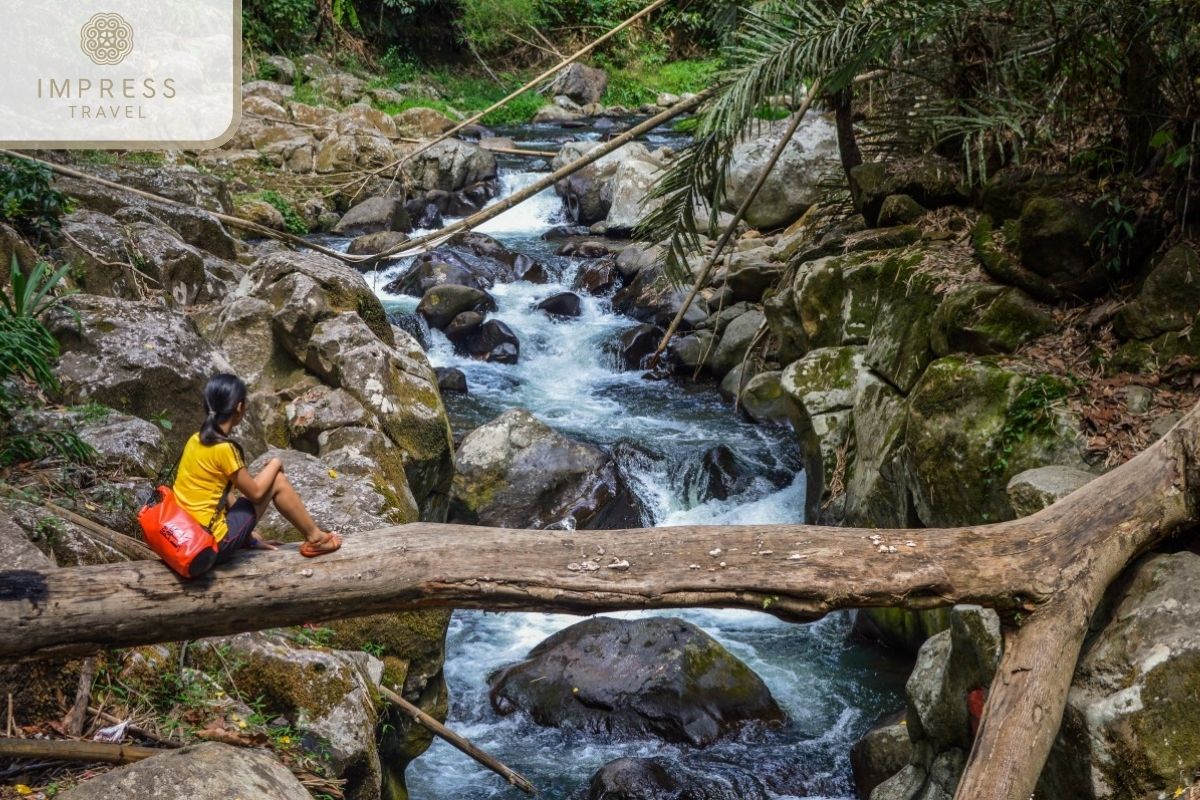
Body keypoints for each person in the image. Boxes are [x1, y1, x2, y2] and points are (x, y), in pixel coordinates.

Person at [172, 373, 342, 567]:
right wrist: (276, 462)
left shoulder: (195, 439)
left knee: (262, 498)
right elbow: (256, 494)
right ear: (239, 408)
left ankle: (305, 537)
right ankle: (316, 539)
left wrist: (247, 536)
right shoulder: (224, 449)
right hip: (212, 545)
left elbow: (221, 494)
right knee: (277, 480)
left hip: (185, 535)